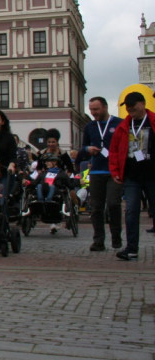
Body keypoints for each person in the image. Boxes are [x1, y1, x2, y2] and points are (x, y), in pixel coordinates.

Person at [109, 92, 155, 261]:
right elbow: (114, 150)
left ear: (142, 104)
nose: (130, 111)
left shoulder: (153, 121)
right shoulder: (123, 126)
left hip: (152, 175)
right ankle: (131, 248)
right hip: (131, 176)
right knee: (131, 212)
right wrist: (115, 171)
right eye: (128, 108)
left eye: (133, 107)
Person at [77, 97, 123, 252]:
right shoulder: (90, 126)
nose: (93, 113)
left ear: (105, 107)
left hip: (113, 171)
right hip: (96, 171)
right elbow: (83, 148)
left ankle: (116, 237)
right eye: (91, 110)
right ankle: (98, 240)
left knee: (113, 204)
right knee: (96, 208)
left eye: (96, 109)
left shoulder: (118, 123)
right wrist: (88, 149)